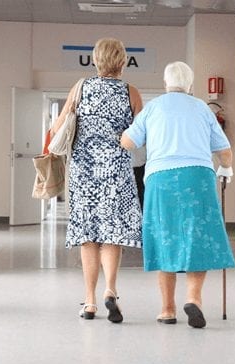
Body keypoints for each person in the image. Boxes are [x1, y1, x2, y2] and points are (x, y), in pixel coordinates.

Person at [121, 61, 235, 328]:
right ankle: (193, 299)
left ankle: (167, 309)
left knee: (165, 238)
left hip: (161, 180)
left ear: (165, 83)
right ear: (190, 85)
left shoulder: (153, 108)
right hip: (198, 177)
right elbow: (224, 150)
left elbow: (128, 142)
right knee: (198, 237)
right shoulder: (202, 109)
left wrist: (126, 132)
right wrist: (226, 169)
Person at [50, 38, 143, 322]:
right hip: (116, 172)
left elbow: (57, 127)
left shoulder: (81, 88)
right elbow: (140, 135)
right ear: (123, 62)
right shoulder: (131, 92)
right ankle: (110, 290)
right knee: (112, 235)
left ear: (95, 61)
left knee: (87, 237)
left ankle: (89, 302)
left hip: (84, 171)